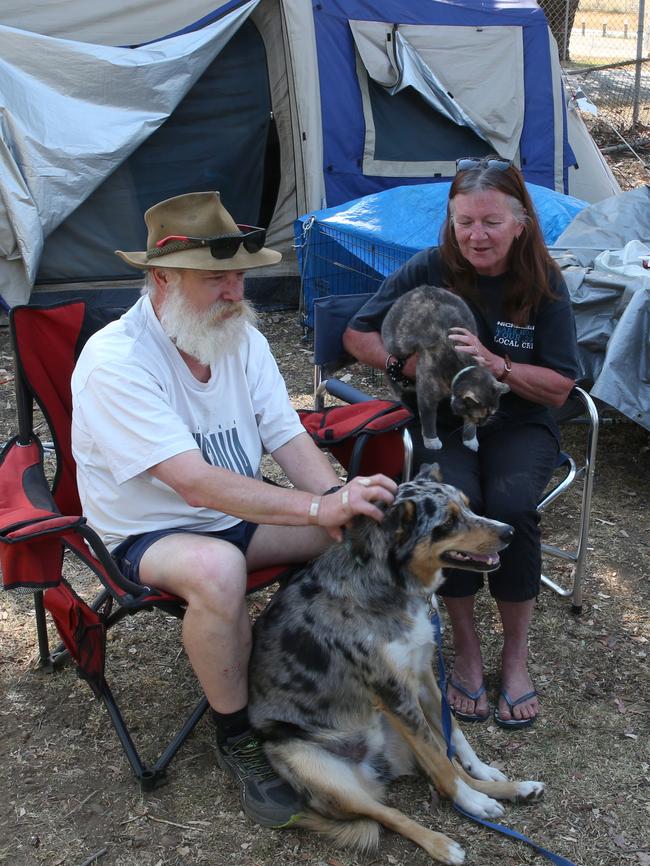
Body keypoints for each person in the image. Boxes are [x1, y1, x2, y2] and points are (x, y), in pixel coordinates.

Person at [71, 191, 397, 826]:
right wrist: (311, 509)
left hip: (234, 517)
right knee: (219, 569)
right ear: (160, 277)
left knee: (359, 531)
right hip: (148, 533)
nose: (233, 291)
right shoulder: (116, 361)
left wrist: (337, 502)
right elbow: (194, 484)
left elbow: (287, 437)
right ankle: (238, 739)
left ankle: (317, 686)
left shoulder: (238, 337)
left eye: (240, 274)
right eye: (214, 277)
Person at [342, 157, 579, 729]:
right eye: (463, 221)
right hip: (445, 424)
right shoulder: (429, 268)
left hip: (520, 422)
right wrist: (405, 358)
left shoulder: (543, 281)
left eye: (491, 222)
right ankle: (469, 652)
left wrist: (498, 363)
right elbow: (356, 334)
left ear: (520, 221)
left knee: (513, 507)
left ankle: (515, 661)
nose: (476, 235)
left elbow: (559, 386)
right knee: (454, 510)